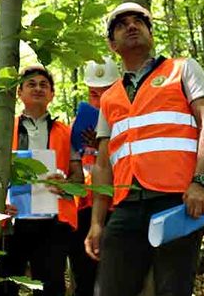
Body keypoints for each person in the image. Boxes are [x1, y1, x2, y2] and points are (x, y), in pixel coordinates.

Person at [84, 2, 204, 296]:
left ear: (150, 32)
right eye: (121, 24)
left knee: (172, 289)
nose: (132, 26)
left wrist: (201, 182)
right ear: (111, 44)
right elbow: (104, 164)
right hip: (126, 206)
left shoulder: (182, 69)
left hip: (177, 201)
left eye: (139, 21)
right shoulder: (110, 97)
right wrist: (97, 222)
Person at [0, 65, 84, 296]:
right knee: (4, 284)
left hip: (53, 223)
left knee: (51, 287)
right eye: (31, 84)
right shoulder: (3, 128)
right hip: (10, 220)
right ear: (19, 92)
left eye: (43, 85)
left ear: (52, 94)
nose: (37, 88)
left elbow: (79, 177)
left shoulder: (66, 132)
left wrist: (65, 182)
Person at [68, 56, 120, 296]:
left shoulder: (128, 122)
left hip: (118, 209)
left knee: (117, 279)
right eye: (93, 94)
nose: (99, 101)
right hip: (84, 209)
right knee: (85, 279)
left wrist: (103, 146)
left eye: (105, 92)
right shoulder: (75, 125)